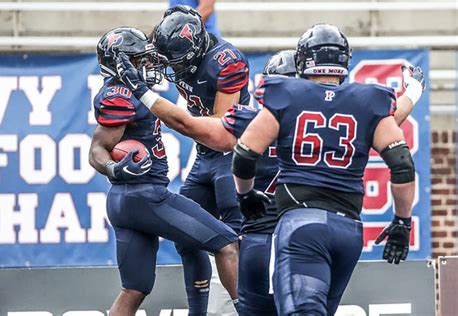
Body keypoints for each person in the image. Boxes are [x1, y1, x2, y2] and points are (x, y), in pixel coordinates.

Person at [114, 41, 425, 315]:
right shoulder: (354, 116)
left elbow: (187, 124)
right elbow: (390, 122)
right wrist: (414, 90)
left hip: (268, 241)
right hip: (329, 231)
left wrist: (143, 92)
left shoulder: (257, 118)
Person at [231, 24, 422, 315]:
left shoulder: (287, 95)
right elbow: (403, 166)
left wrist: (245, 195)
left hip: (301, 225)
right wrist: (402, 222)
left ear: (303, 60)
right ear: (345, 60)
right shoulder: (367, 102)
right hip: (349, 231)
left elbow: (244, 154)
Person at [88, 27, 239, 316]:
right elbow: (98, 149)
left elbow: (97, 148)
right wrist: (115, 168)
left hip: (122, 201)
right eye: (138, 60)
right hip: (145, 196)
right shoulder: (120, 93)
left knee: (134, 289)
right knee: (227, 244)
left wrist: (112, 169)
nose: (147, 65)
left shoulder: (125, 91)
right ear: (119, 63)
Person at [152, 5, 249, 315]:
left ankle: (245, 309)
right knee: (186, 235)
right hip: (205, 155)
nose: (174, 70)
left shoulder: (227, 61)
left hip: (229, 154)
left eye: (178, 63)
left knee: (235, 236)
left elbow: (221, 129)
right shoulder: (171, 45)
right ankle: (198, 311)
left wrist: (178, 119)